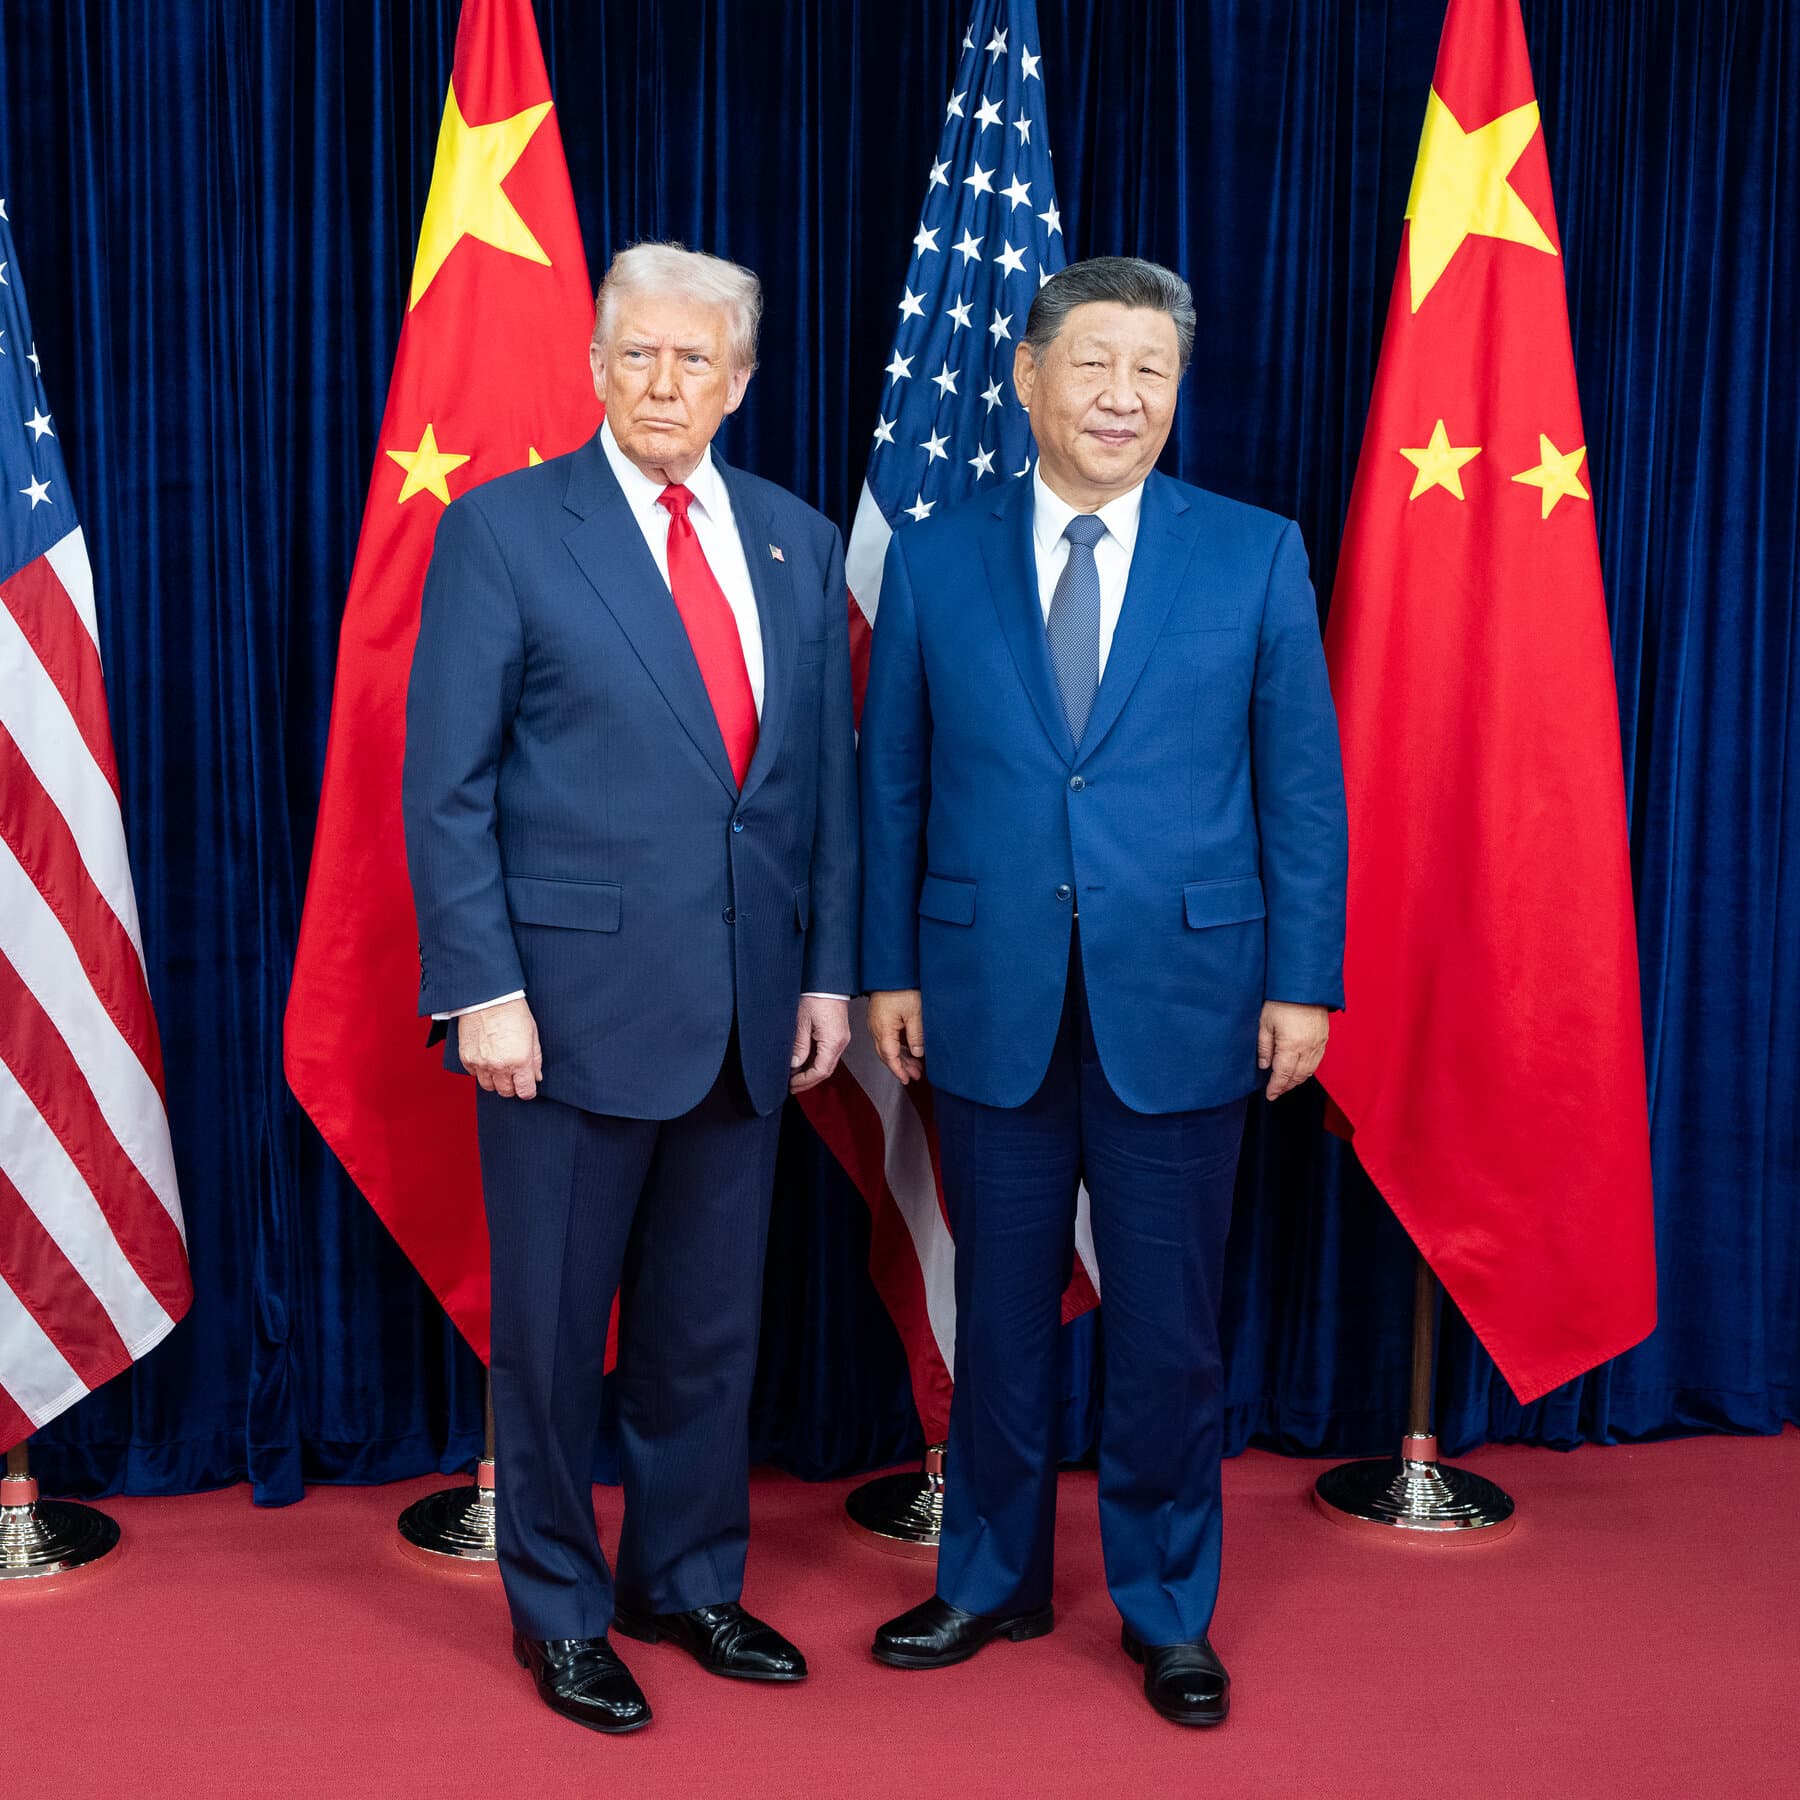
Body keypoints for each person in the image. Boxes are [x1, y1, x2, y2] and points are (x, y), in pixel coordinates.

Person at [858, 256, 1347, 1727]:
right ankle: (988, 1578)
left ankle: (1166, 1606)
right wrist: (887, 962)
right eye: (1095, 365)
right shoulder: (936, 556)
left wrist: (1302, 986)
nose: (1123, 397)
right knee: (999, 1313)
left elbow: (1301, 792)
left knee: (1167, 1327)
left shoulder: (1253, 553)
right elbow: (894, 785)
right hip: (980, 990)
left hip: (1191, 995)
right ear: (1027, 377)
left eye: (1152, 371)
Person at [403, 242, 858, 1735]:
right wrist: (481, 988)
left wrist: (827, 980)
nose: (666, 384)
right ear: (597, 368)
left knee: (705, 1334)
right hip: (560, 1016)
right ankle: (560, 1610)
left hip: (747, 1010)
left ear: (739, 380)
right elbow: (447, 786)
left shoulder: (792, 539)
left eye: (697, 361)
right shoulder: (505, 533)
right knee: (549, 1337)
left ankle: (687, 1579)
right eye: (639, 356)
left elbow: (820, 795)